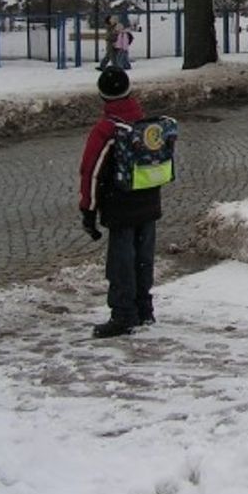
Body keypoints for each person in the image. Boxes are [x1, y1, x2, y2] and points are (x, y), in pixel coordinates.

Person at [78, 67, 162, 337]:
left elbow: (90, 172)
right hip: (148, 201)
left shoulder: (106, 130)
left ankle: (124, 314)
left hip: (121, 204)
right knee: (143, 258)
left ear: (103, 95)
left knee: (121, 261)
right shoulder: (144, 123)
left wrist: (88, 210)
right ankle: (144, 308)